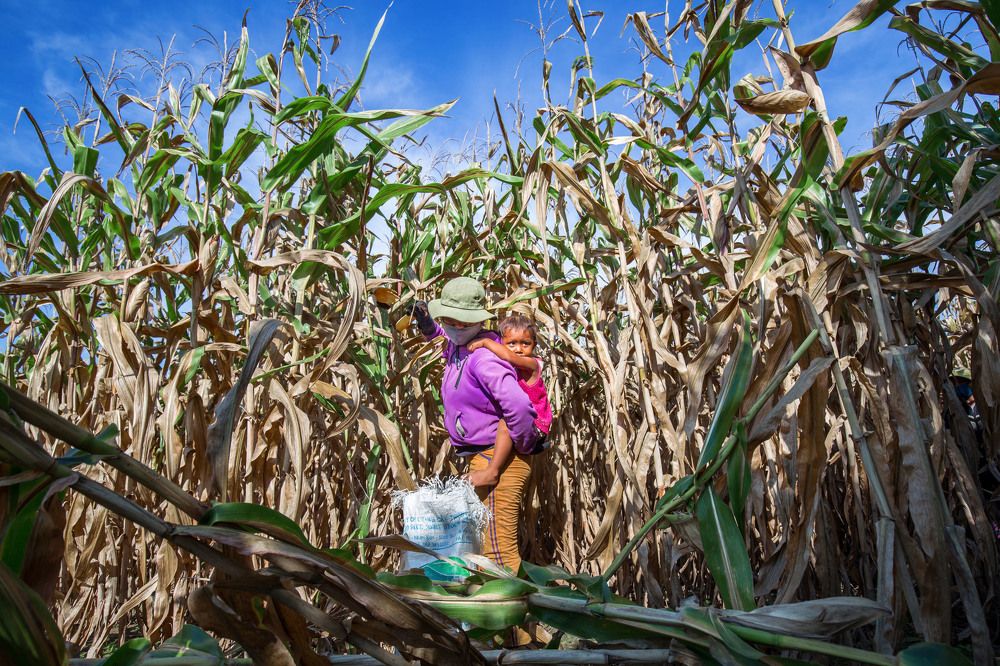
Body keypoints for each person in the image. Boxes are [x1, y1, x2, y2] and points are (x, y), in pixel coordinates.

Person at [411, 277, 539, 574]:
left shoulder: (484, 359)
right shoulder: (460, 345)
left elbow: (519, 408)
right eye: (449, 320)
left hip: (498, 458)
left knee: (498, 552)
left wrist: (500, 463)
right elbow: (443, 336)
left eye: (461, 321)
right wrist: (427, 324)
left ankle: (516, 618)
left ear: (475, 321)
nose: (454, 326)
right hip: (483, 456)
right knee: (484, 547)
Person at [466, 312, 553, 489]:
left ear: (534, 345)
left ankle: (492, 471)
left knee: (505, 425)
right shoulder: (508, 367)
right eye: (511, 343)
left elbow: (510, 357)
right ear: (503, 342)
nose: (519, 348)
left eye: (525, 343)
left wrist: (485, 343)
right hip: (526, 421)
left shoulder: (532, 364)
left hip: (536, 423)